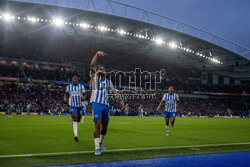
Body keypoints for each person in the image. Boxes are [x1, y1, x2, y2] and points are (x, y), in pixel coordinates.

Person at [90, 51, 125, 156]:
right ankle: (96, 148)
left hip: (106, 105)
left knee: (105, 127)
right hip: (96, 103)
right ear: (96, 71)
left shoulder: (109, 82)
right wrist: (96, 54)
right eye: (99, 69)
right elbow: (92, 64)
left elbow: (115, 93)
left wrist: (121, 101)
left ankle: (100, 143)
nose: (101, 70)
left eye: (103, 69)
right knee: (97, 124)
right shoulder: (94, 78)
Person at [64, 76, 86, 142]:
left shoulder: (81, 86)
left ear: (78, 80)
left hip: (80, 105)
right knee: (75, 118)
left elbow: (84, 94)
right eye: (74, 79)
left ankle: (75, 122)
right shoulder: (68, 87)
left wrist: (83, 97)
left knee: (78, 119)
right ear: (72, 80)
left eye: (77, 79)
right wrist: (65, 98)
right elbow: (66, 94)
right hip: (73, 105)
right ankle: (76, 135)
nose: (75, 80)